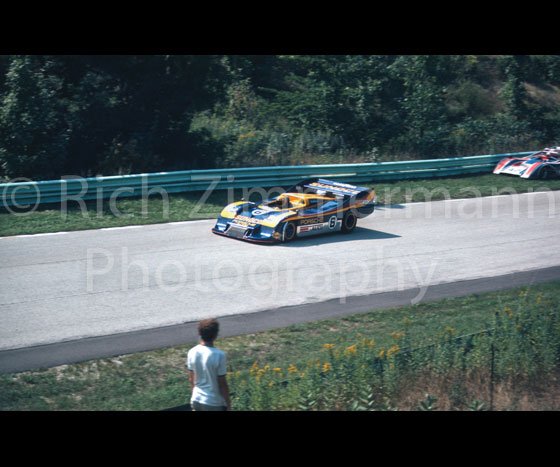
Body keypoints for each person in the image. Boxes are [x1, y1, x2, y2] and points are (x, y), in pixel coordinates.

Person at [187, 318, 231, 411]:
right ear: (215, 335)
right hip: (213, 403)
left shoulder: (192, 352)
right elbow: (222, 383)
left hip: (196, 399)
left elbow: (191, 379)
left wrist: (194, 395)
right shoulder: (219, 355)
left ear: (199, 333)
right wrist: (228, 405)